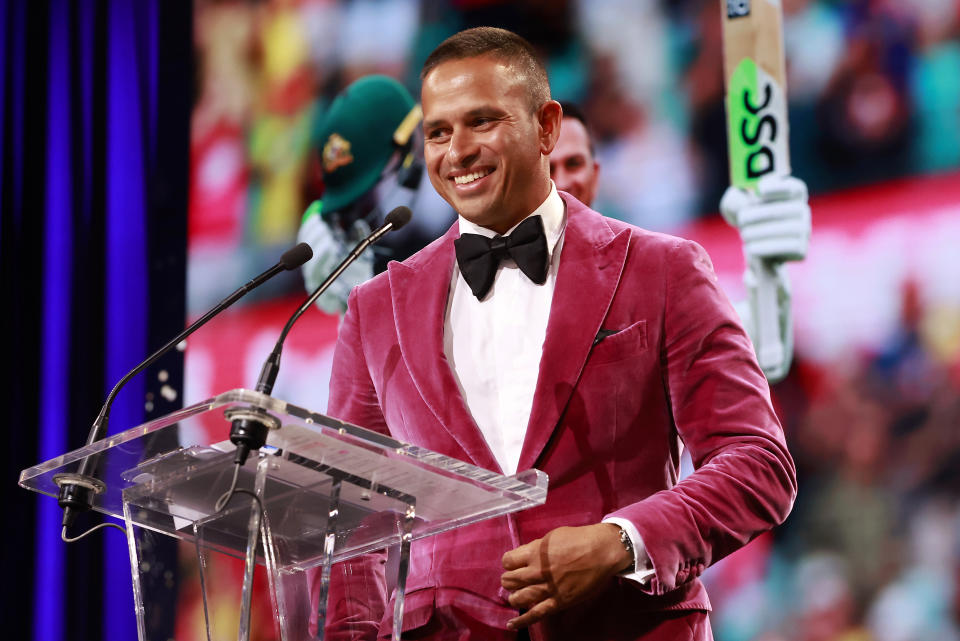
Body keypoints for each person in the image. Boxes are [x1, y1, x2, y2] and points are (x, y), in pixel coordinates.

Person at [319, 27, 796, 640]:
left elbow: (758, 464)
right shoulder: (375, 308)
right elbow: (350, 519)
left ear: (546, 127)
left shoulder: (663, 269)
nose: (456, 151)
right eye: (438, 132)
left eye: (481, 122)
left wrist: (620, 543)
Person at [548, 103, 810, 382]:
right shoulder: (502, 285)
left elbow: (751, 349)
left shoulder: (649, 275)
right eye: (548, 168)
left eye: (573, 164)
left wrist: (768, 272)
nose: (562, 181)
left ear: (595, 174)